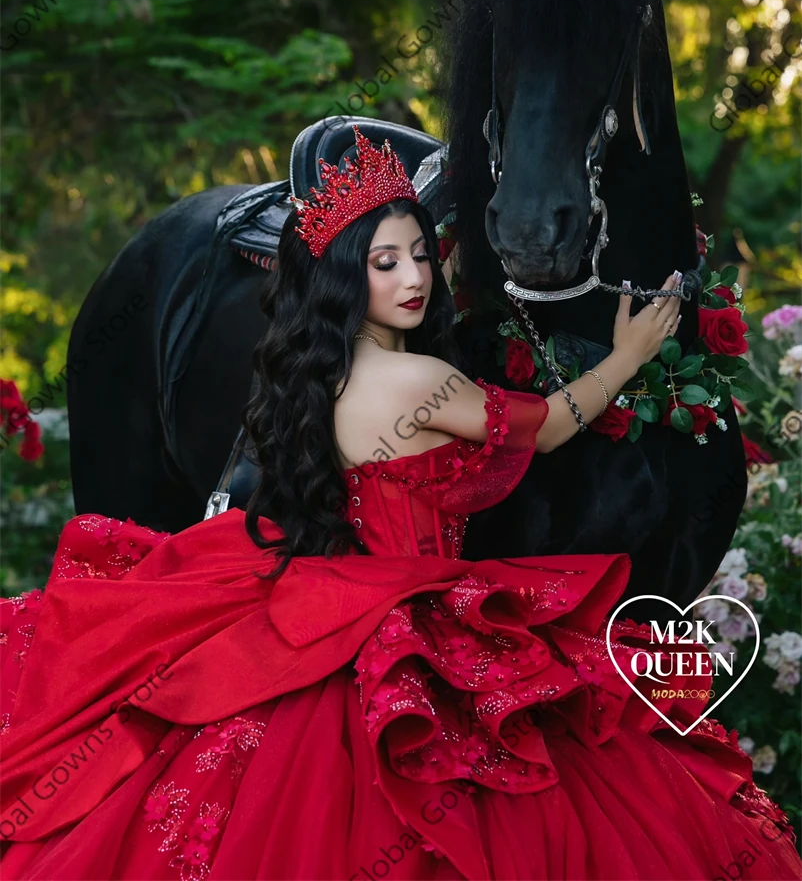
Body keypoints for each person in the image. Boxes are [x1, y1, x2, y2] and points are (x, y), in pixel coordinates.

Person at [0, 126, 799, 881]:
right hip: (404, 601)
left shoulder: (318, 371)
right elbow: (551, 426)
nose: (415, 278)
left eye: (421, 254)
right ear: (349, 271)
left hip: (322, 588)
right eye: (386, 263)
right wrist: (627, 355)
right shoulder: (420, 382)